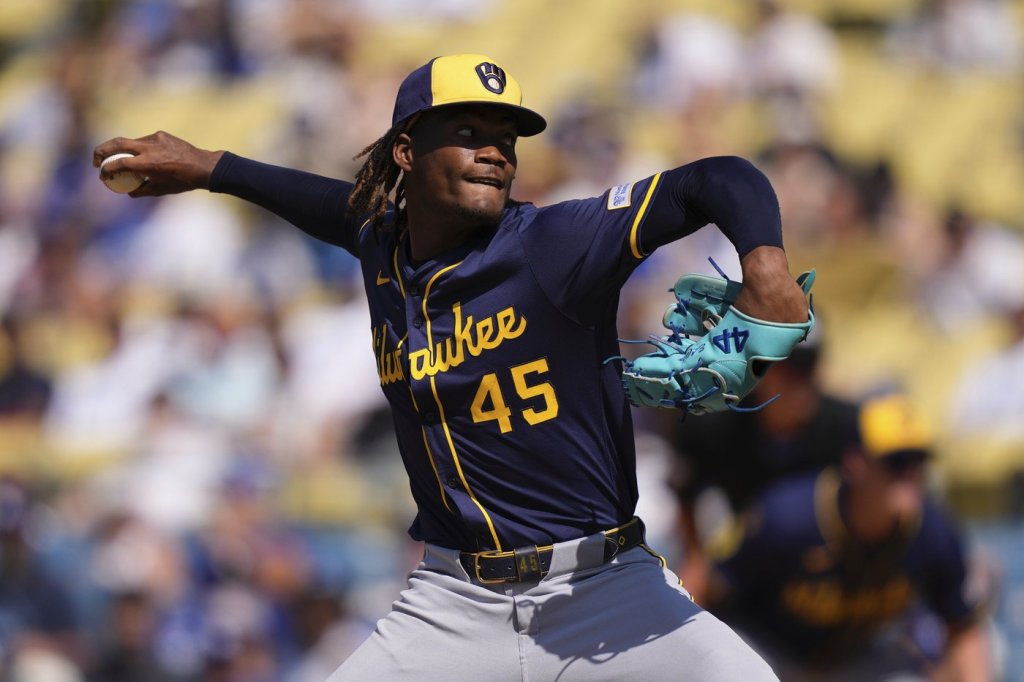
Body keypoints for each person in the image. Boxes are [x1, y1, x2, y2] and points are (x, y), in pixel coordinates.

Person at [93, 53, 811, 680]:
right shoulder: (383, 245)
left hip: (604, 588)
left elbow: (713, 178)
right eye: (469, 134)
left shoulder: (555, 244)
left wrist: (765, 263)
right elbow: (331, 206)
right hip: (453, 604)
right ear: (407, 152)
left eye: (506, 141)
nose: (495, 153)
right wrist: (212, 167)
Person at [699, 393, 993, 681]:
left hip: (851, 663)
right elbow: (710, 587)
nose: (910, 475)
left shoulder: (931, 531)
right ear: (856, 462)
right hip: (770, 653)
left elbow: (963, 627)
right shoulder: (788, 516)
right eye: (898, 461)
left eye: (919, 462)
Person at [670, 320, 859, 601]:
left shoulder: (845, 428)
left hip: (820, 559)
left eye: (808, 367)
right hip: (744, 549)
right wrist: (695, 557)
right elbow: (685, 494)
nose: (800, 381)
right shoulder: (713, 423)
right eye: (789, 368)